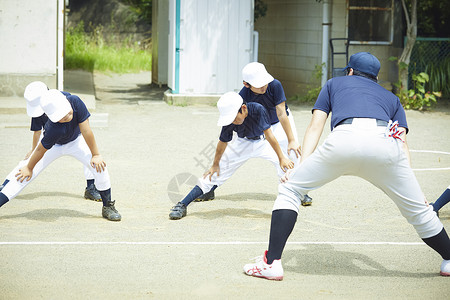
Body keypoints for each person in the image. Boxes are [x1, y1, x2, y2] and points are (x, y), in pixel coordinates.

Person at [243, 52, 450, 280]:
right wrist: (412, 185)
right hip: (385, 144)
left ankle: (271, 263)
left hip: (344, 139)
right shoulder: (391, 97)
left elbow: (315, 126)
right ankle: (449, 260)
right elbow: (401, 141)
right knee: (420, 211)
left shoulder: (334, 83)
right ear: (375, 78)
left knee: (291, 189)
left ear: (350, 70)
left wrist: (299, 167)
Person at [169, 92, 294, 220]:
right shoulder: (230, 120)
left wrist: (281, 158)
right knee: (214, 174)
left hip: (263, 142)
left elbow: (269, 135)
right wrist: (215, 165)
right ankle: (182, 204)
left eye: (234, 118)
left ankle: (291, 204)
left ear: (243, 109)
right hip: (241, 143)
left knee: (286, 168)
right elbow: (222, 142)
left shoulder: (257, 109)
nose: (233, 121)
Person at [0, 88, 121, 221]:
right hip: (54, 146)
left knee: (100, 167)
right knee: (24, 173)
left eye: (67, 113)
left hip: (76, 141)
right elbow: (40, 150)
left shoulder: (75, 101)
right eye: (61, 117)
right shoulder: (53, 129)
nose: (67, 117)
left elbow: (86, 130)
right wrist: (29, 168)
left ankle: (108, 206)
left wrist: (96, 154)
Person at [0, 81, 102, 202]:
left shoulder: (64, 99)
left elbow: (81, 123)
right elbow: (37, 131)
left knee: (89, 156)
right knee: (28, 162)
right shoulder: (37, 112)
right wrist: (33, 150)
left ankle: (91, 187)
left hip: (75, 136)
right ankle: (5, 184)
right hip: (51, 139)